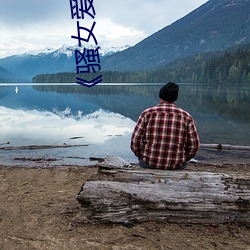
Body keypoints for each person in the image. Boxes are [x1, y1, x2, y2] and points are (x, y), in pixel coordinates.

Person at [130, 82, 200, 170]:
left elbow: (135, 142)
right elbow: (194, 145)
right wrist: (184, 158)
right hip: (176, 165)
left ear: (160, 96)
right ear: (175, 98)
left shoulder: (147, 114)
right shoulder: (186, 116)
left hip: (149, 162)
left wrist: (141, 156)